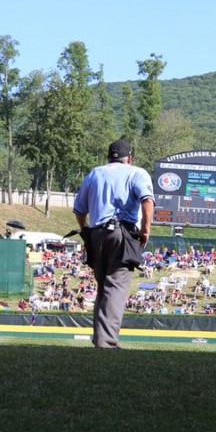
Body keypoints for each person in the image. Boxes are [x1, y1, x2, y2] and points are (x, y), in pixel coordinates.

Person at [73, 139, 154, 348]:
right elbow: (147, 200)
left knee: (104, 287)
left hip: (98, 233)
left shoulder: (95, 173)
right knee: (115, 287)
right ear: (130, 158)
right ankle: (106, 343)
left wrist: (85, 231)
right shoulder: (137, 172)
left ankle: (100, 338)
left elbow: (79, 210)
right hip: (123, 233)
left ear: (109, 156)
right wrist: (146, 230)